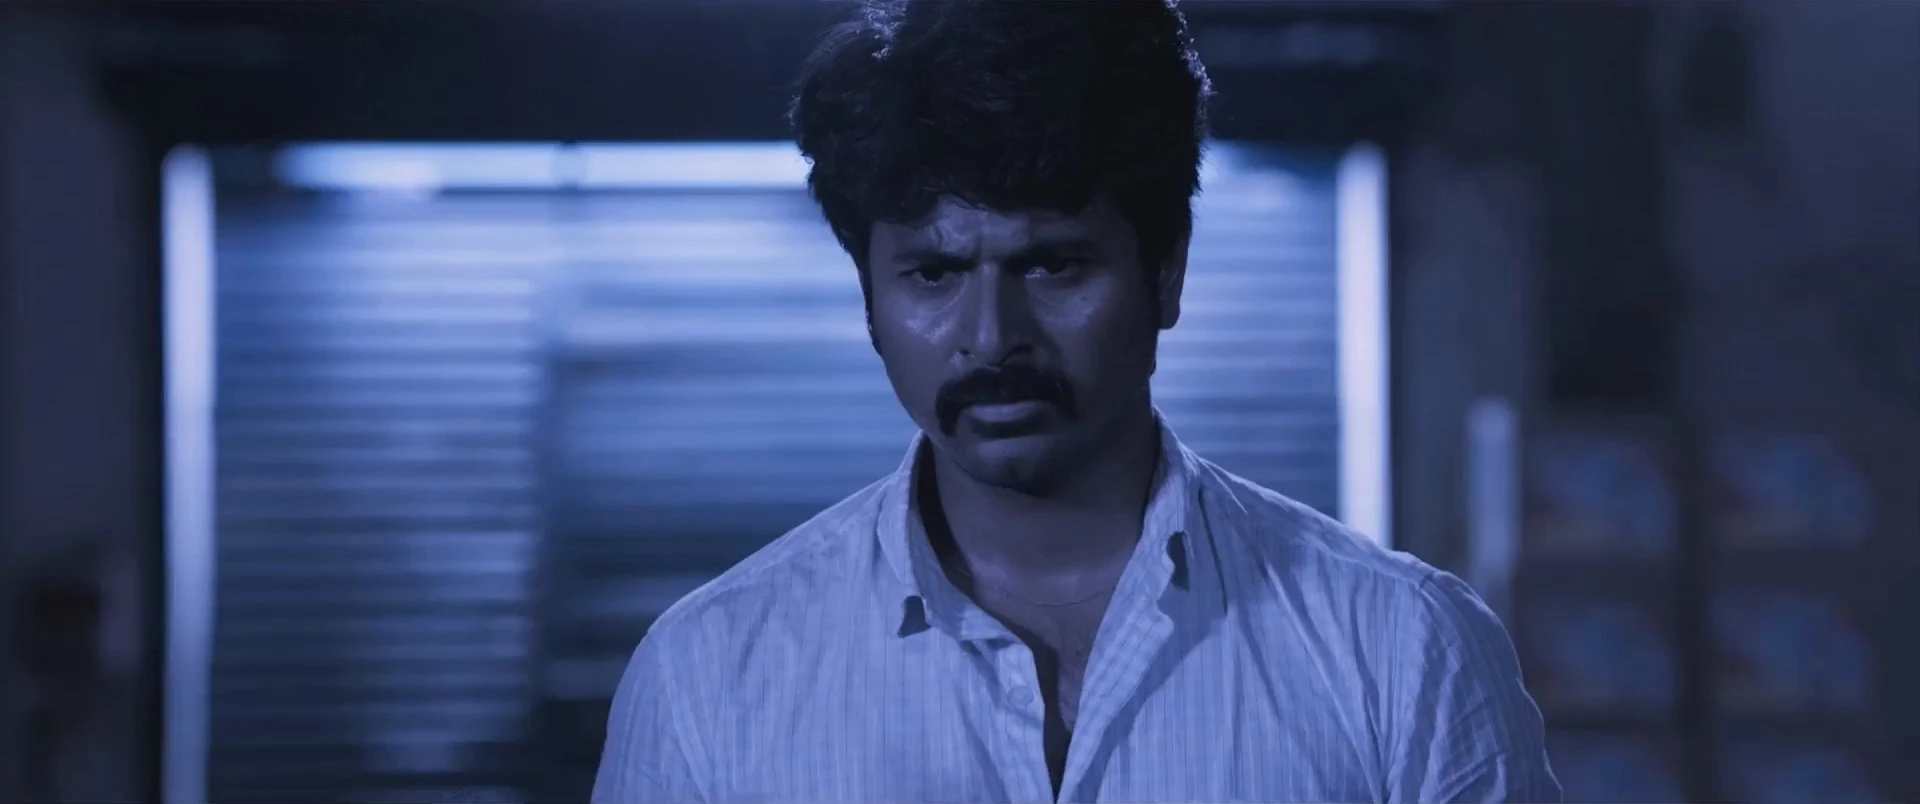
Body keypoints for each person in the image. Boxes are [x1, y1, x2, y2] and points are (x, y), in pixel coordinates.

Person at [594, 1, 1560, 801]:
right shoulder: (708, 678)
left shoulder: (1401, 651)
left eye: (1052, 265)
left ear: (1165, 272)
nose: (990, 336)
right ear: (869, 300)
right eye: (933, 274)